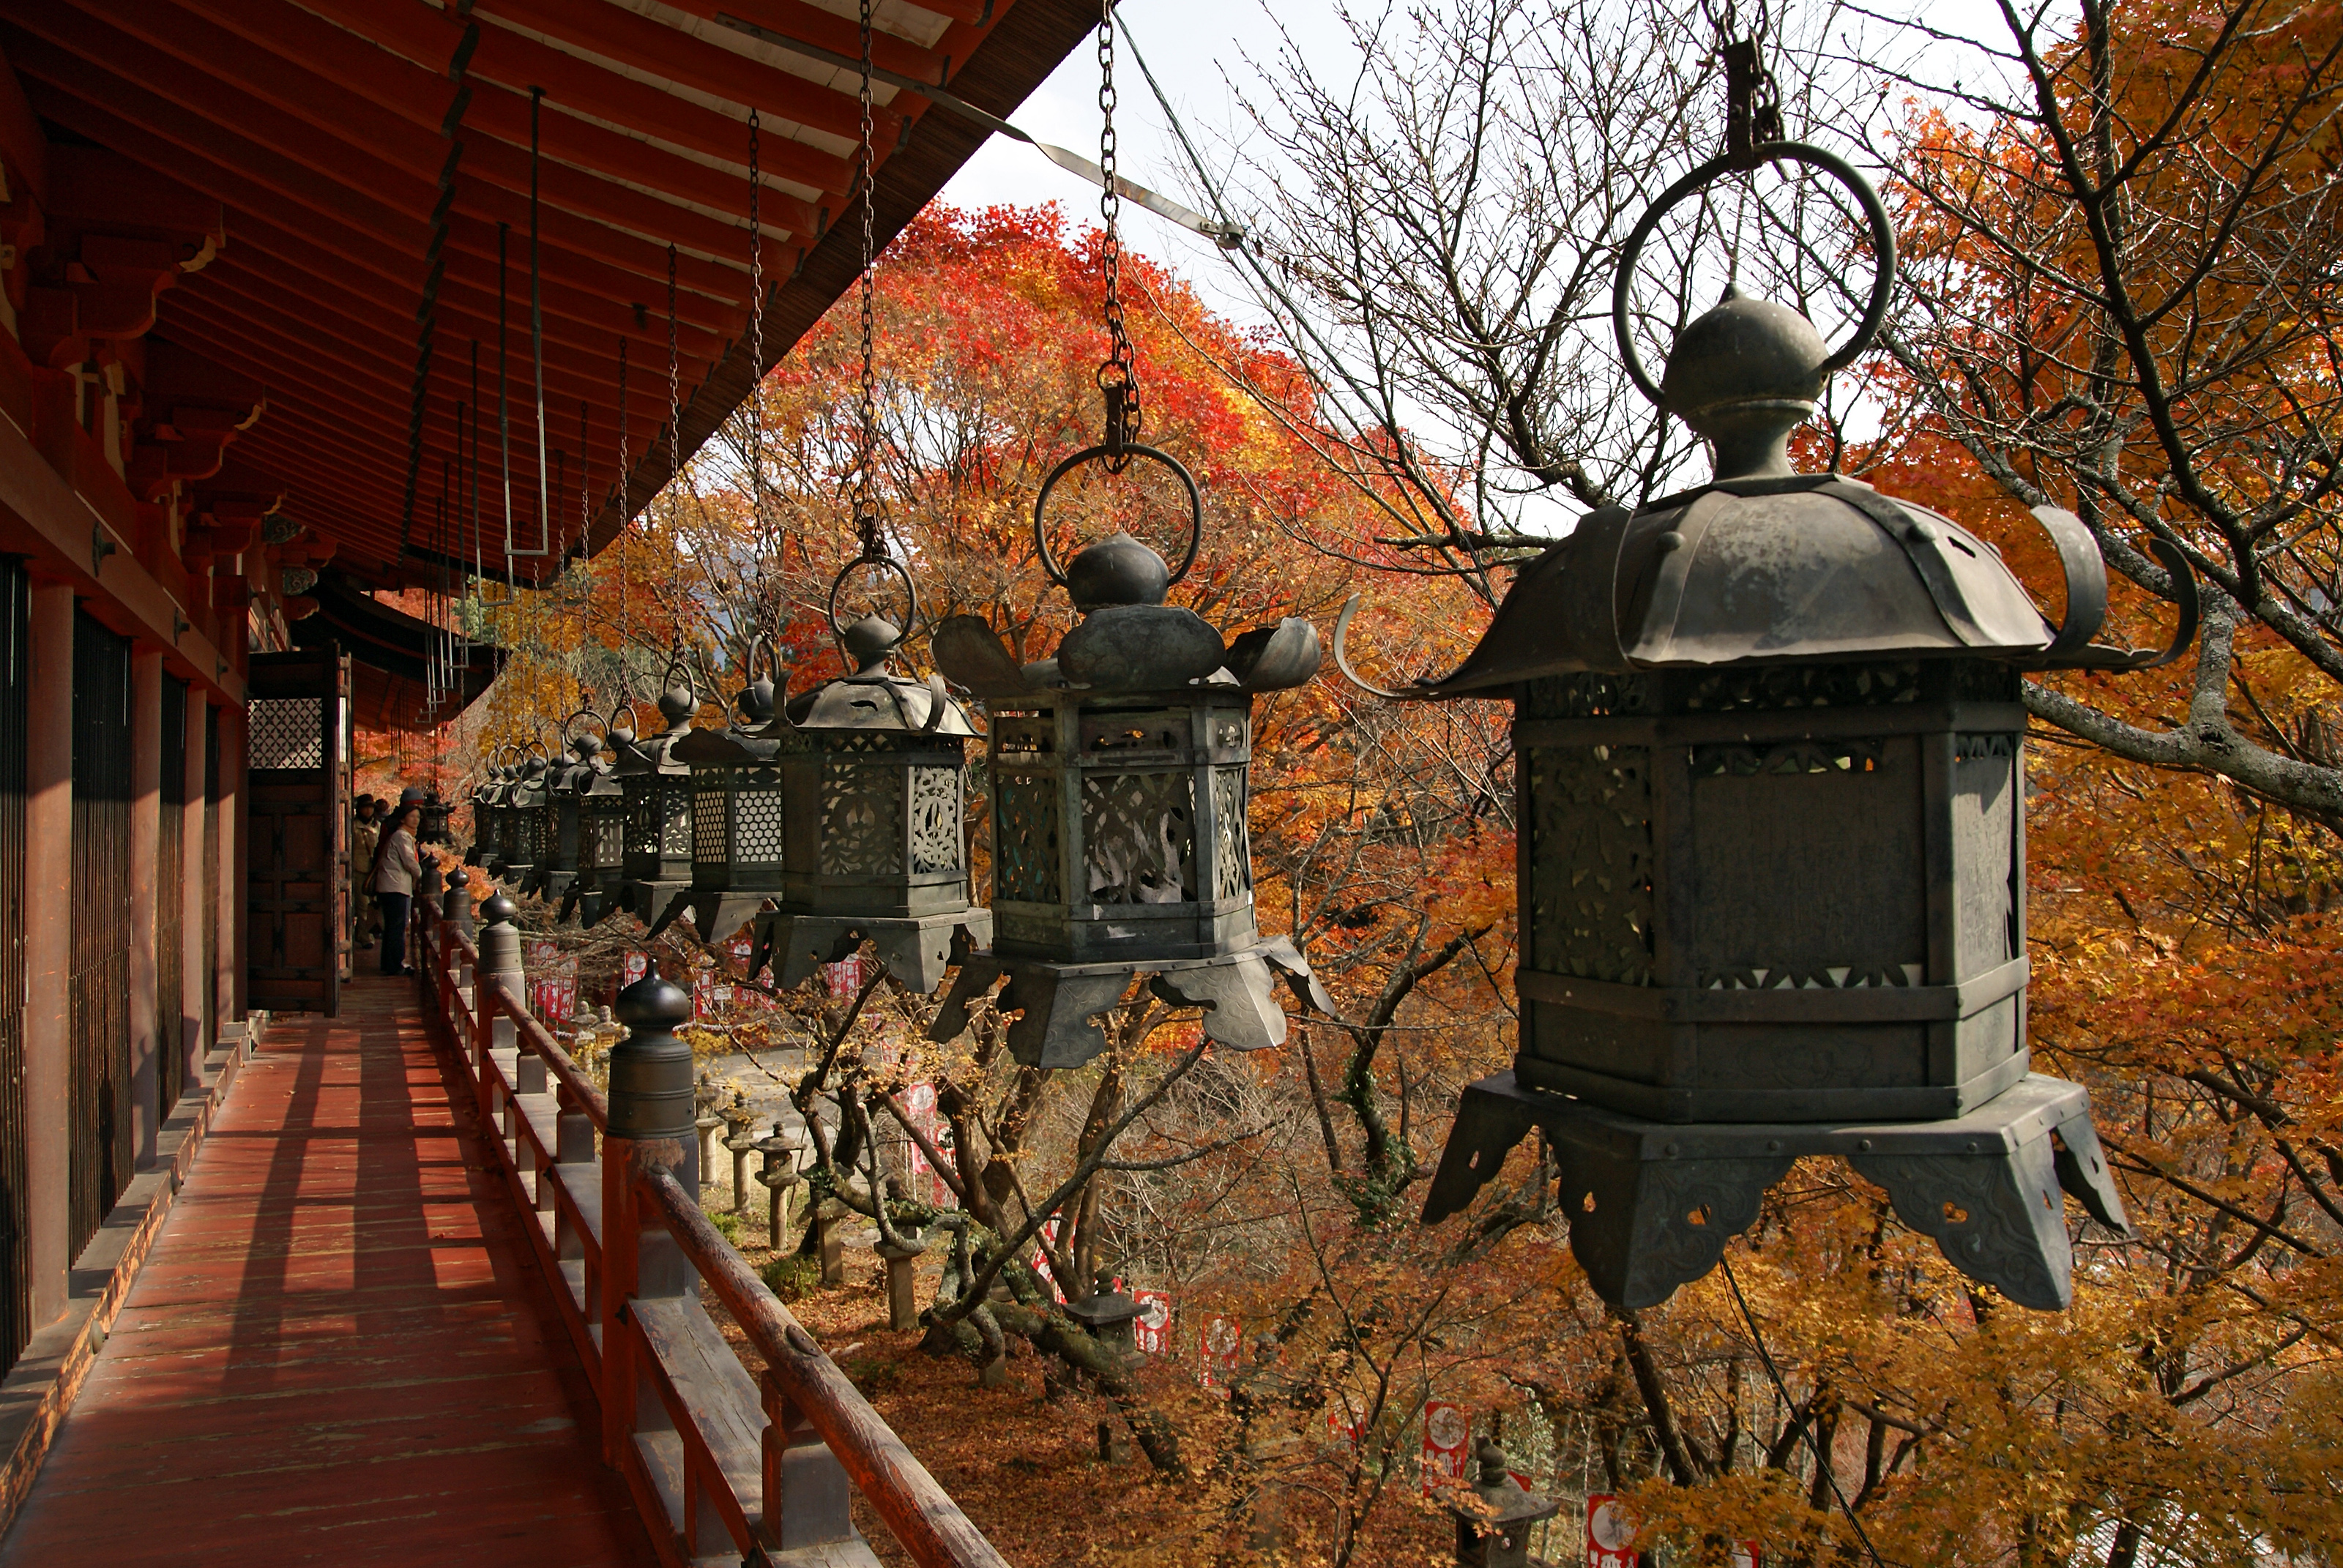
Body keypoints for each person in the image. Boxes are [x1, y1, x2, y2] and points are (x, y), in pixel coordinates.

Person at [371, 802, 422, 976]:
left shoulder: (400, 836)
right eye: (412, 816)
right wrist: (420, 874)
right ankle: (396, 965)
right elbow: (409, 861)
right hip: (396, 887)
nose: (416, 820)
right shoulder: (402, 836)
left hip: (390, 886)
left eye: (418, 816)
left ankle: (389, 964)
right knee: (397, 928)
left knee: (392, 928)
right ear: (402, 819)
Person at [350, 796, 380, 951]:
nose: (369, 810)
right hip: (359, 870)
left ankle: (369, 932)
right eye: (366, 807)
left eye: (371, 807)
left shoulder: (378, 826)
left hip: (374, 871)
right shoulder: (353, 827)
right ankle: (363, 935)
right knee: (362, 906)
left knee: (373, 905)